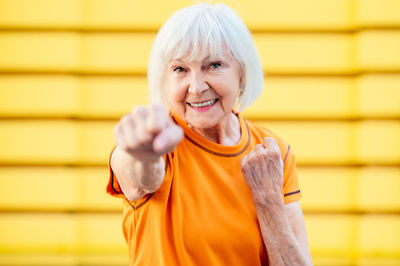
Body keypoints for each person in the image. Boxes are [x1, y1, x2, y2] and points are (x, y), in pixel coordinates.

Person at [107, 3, 312, 266]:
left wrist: (269, 200)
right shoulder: (154, 142)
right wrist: (145, 156)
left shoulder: (271, 152)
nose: (196, 87)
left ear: (242, 74)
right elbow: (140, 177)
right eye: (180, 69)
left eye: (214, 65)